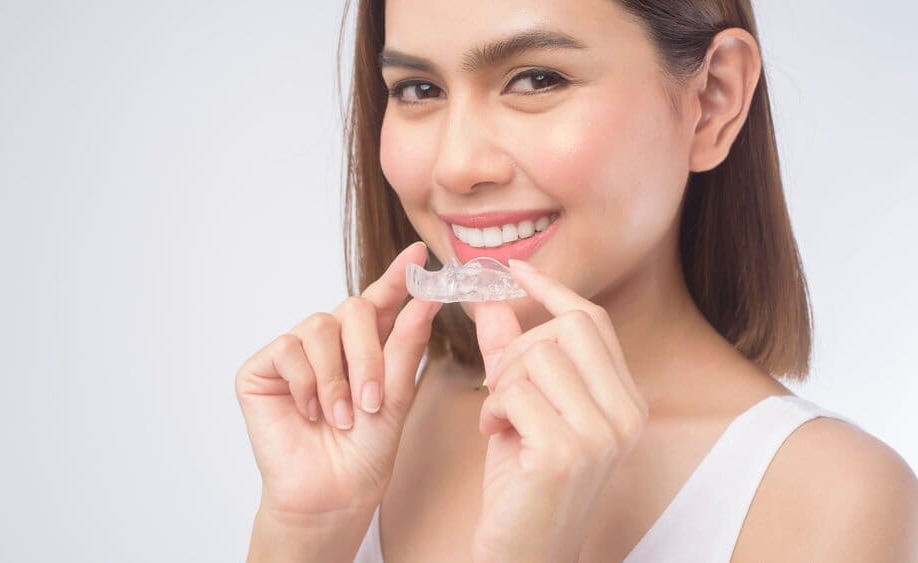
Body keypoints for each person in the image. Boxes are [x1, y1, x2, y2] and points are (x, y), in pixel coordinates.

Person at [236, 0, 918, 561]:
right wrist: (303, 535)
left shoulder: (832, 499)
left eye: (536, 79)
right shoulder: (365, 426)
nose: (456, 165)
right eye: (420, 89)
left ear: (712, 100)